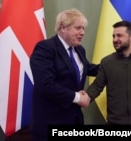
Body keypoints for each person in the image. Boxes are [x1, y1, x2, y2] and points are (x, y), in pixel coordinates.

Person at [29, 8, 99, 140]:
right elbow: (45, 85)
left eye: (83, 28)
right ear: (63, 28)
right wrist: (78, 98)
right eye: (78, 28)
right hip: (49, 123)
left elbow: (88, 68)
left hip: (74, 120)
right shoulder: (45, 48)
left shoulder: (79, 50)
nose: (82, 32)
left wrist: (114, 63)